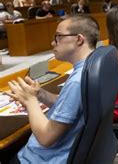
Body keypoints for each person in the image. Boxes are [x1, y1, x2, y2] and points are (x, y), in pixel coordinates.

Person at [7, 15, 99, 163]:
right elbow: (67, 103)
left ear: (79, 39)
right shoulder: (92, 67)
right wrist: (39, 94)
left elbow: (46, 138)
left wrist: (30, 101)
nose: (52, 43)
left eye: (58, 37)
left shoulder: (77, 81)